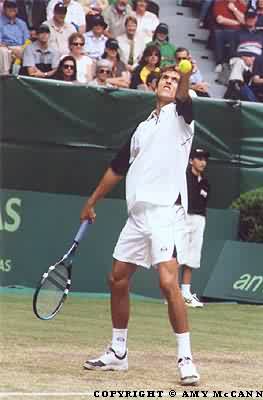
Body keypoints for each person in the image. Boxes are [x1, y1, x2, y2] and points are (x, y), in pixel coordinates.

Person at [80, 65, 200, 386]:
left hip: (165, 211)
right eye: (166, 79)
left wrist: (185, 78)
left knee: (166, 283)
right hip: (137, 215)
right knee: (117, 278)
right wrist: (92, 202)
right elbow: (117, 168)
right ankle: (118, 352)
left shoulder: (181, 116)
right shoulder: (142, 128)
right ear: (154, 86)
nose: (171, 84)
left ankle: (185, 358)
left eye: (176, 81)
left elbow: (187, 98)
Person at [180, 148, 210, 309]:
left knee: (192, 257)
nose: (203, 162)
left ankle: (185, 293)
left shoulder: (206, 182)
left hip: (199, 220)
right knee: (176, 255)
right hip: (182, 217)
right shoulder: (183, 178)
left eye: (205, 159)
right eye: (199, 158)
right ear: (191, 161)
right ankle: (170, 294)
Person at [0, 0, 30, 74]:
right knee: (3, 51)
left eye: (14, 7)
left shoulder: (22, 23)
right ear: (4, 9)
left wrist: (22, 49)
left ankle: (32, 77)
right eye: (9, 7)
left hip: (21, 48)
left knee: (30, 50)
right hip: (7, 48)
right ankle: (5, 77)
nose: (12, 9)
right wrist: (12, 50)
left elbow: (27, 41)